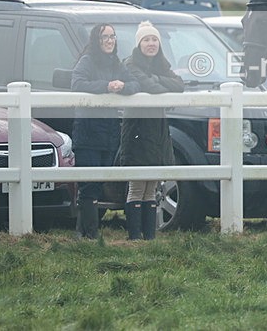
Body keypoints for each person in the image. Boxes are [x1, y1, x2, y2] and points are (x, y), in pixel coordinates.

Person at [71, 23, 138, 239]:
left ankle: (83, 233)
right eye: (104, 37)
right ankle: (90, 234)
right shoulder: (87, 61)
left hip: (109, 132)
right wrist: (106, 86)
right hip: (88, 131)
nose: (109, 41)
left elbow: (135, 83)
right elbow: (77, 84)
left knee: (99, 183)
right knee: (88, 184)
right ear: (96, 41)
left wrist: (123, 87)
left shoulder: (117, 63)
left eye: (112, 37)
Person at [118, 21, 184, 240]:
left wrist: (157, 80)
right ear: (139, 44)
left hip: (157, 130)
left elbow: (179, 85)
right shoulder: (130, 64)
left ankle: (149, 237)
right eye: (146, 39)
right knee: (137, 185)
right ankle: (135, 237)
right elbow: (152, 88)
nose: (151, 44)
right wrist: (160, 84)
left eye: (154, 39)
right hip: (137, 130)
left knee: (152, 186)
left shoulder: (161, 65)